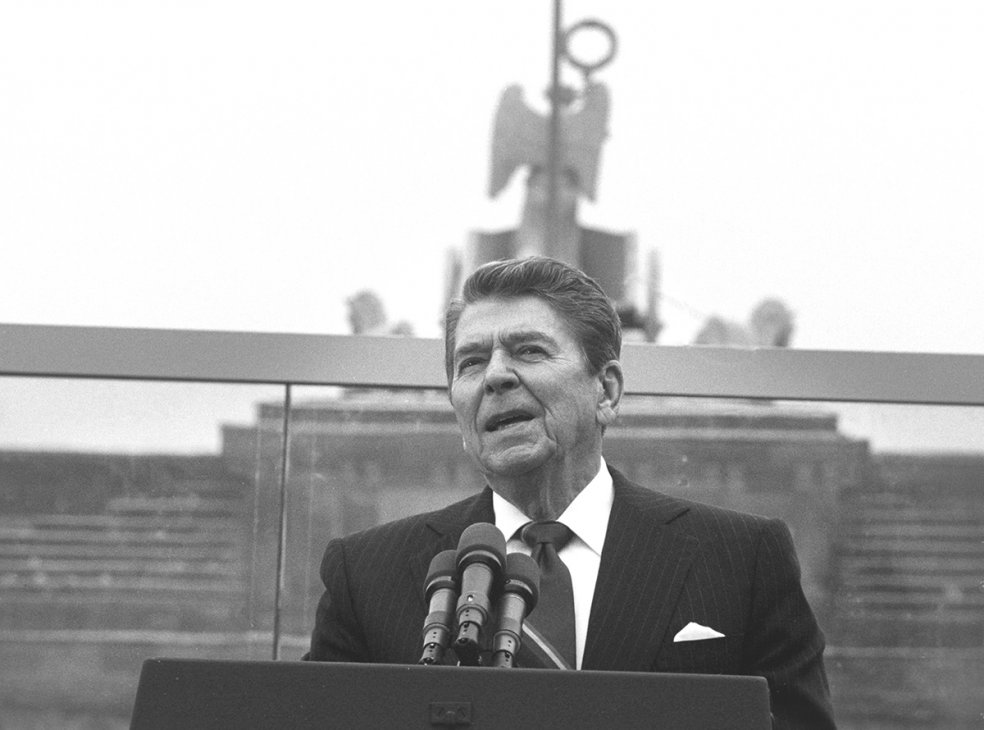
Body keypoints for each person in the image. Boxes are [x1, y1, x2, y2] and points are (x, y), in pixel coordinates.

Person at [307, 256, 836, 728]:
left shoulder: (741, 560)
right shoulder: (368, 574)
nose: (494, 377)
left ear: (605, 391)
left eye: (528, 351)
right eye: (470, 362)